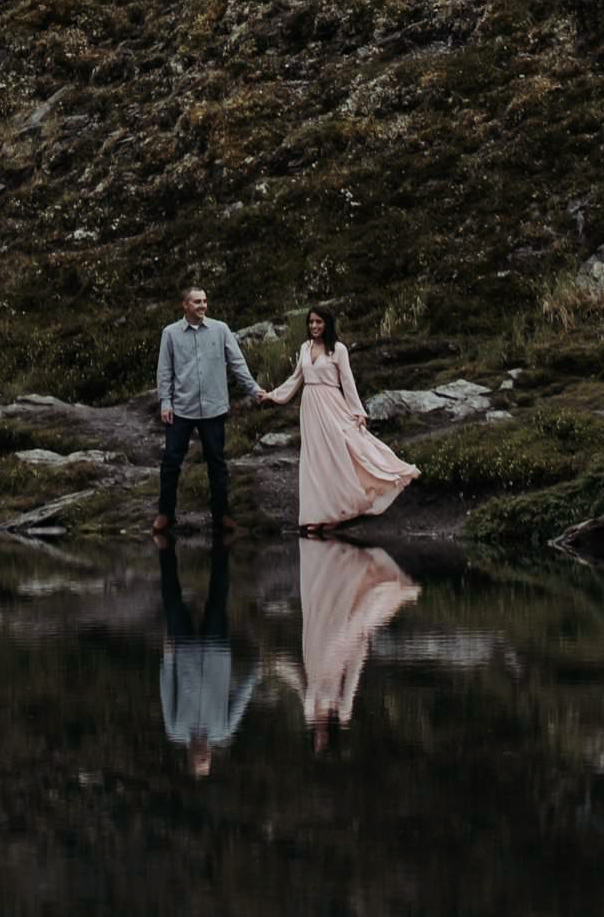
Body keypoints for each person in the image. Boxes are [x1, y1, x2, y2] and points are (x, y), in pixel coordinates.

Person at [264, 305, 418, 532]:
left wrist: (358, 412)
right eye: (311, 322)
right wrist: (272, 395)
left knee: (341, 452)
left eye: (319, 322)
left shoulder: (338, 349)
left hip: (332, 403)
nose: (314, 326)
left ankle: (341, 510)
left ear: (327, 324)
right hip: (310, 405)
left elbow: (347, 381)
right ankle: (318, 514)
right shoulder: (305, 347)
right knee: (316, 459)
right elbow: (296, 378)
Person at [275, 537, 423, 751]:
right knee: (345, 617)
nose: (319, 737)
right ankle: (352, 567)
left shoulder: (310, 712)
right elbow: (352, 681)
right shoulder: (342, 712)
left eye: (318, 740)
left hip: (317, 653)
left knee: (333, 612)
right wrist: (360, 651)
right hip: (332, 657)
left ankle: (342, 567)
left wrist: (281, 667)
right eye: (322, 741)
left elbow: (301, 684)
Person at [153, 283, 268, 543]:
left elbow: (237, 362)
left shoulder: (220, 330)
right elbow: (165, 370)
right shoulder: (170, 333)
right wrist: (166, 403)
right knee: (171, 462)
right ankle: (165, 514)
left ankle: (221, 514)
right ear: (185, 305)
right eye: (197, 302)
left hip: (214, 407)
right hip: (182, 408)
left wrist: (254, 390)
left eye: (204, 301)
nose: (202, 306)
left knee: (217, 462)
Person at [159, 541, 257, 778]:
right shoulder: (223, 731)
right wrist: (256, 671)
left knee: (172, 600)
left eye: (201, 760)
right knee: (218, 597)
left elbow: (166, 691)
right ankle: (222, 548)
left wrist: (168, 659)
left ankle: (165, 550)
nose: (205, 755)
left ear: (190, 757)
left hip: (183, 653)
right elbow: (240, 701)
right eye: (207, 760)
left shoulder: (175, 730)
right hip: (216, 650)